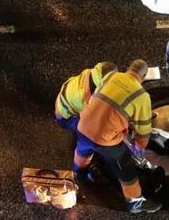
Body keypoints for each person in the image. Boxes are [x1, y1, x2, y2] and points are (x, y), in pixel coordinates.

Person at [74, 60, 161, 214]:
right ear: (144, 76)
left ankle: (79, 173)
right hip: (104, 139)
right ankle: (135, 202)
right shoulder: (141, 95)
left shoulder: (111, 76)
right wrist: (138, 149)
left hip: (83, 125)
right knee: (125, 165)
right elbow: (143, 131)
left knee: (83, 149)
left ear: (128, 68)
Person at [54, 61, 118, 131]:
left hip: (62, 96)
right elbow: (91, 115)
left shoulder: (91, 72)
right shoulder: (86, 97)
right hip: (64, 117)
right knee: (88, 126)